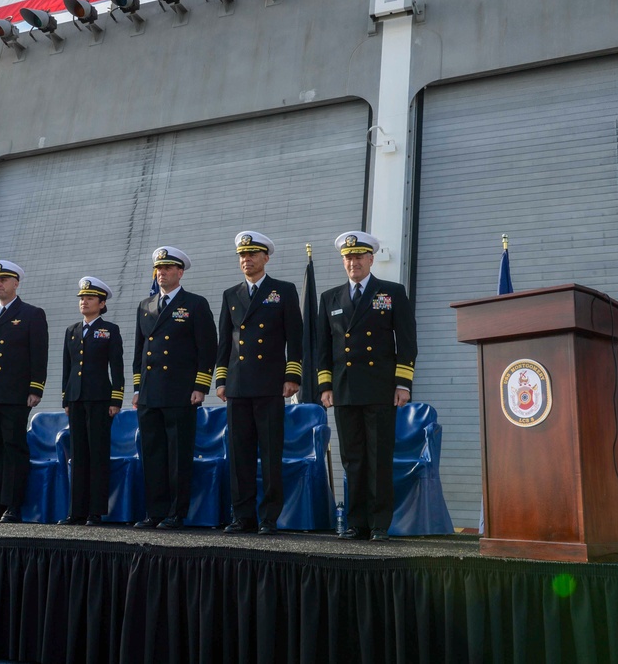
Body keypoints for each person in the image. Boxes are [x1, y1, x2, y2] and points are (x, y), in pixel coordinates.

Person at [317, 231, 417, 542]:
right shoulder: (330, 298)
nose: (353, 262)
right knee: (353, 459)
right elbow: (323, 347)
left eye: (359, 256)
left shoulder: (391, 292)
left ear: (371, 259)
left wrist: (403, 383)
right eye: (348, 257)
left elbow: (407, 342)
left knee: (378, 457)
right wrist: (325, 385)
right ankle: (356, 523)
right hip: (345, 389)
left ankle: (379, 525)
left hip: (380, 388)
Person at [215, 232, 303, 535]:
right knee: (239, 455)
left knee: (270, 454)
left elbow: (296, 336)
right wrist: (221, 380)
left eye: (252, 254)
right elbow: (224, 342)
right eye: (242, 255)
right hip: (238, 385)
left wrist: (292, 376)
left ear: (266, 258)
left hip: (269, 384)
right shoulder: (230, 294)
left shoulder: (283, 290)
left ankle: (268, 517)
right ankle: (243, 516)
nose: (246, 260)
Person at [132, 247, 217, 530]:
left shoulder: (194, 303)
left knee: (177, 455)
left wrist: (201, 386)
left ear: (180, 272)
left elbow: (208, 348)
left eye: (168, 268)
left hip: (180, 392)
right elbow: (139, 351)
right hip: (150, 393)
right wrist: (137, 389)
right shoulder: (145, 305)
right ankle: (154, 511)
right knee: (153, 453)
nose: (162, 273)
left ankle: (175, 512)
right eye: (159, 268)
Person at [0, 259, 49, 524]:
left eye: (3, 280)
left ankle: (13, 505)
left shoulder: (31, 313)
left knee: (14, 449)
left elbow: (39, 354)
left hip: (16, 395)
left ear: (16, 283)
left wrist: (35, 388)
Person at [58, 277, 124, 526]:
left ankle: (95, 511)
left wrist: (116, 398)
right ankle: (76, 511)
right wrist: (66, 397)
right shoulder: (72, 331)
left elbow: (116, 367)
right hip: (76, 398)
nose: (83, 302)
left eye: (89, 298)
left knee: (97, 455)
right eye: (81, 298)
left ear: (101, 302)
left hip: (99, 399)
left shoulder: (109, 330)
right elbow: (68, 367)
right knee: (78, 455)